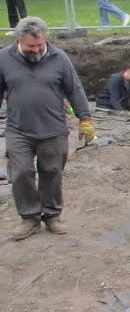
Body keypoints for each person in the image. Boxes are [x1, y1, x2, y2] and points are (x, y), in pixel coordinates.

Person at [0, 16, 95, 240]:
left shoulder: (59, 58)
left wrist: (85, 119)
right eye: (30, 46)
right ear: (19, 42)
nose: (35, 49)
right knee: (21, 172)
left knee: (51, 172)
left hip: (53, 129)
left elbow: (75, 89)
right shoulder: (4, 59)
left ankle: (52, 215)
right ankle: (30, 218)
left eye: (39, 45)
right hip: (18, 129)